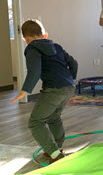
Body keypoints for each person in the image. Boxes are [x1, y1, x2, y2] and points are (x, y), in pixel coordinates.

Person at [10, 20, 78, 163]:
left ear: (25, 39)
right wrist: (69, 79)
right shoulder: (57, 46)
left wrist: (24, 91)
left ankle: (55, 154)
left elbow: (34, 71)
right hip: (69, 87)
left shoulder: (32, 49)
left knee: (35, 122)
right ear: (44, 35)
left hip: (54, 89)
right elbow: (74, 63)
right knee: (54, 117)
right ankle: (57, 149)